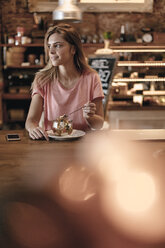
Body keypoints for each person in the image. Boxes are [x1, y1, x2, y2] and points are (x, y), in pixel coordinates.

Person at [25, 23, 104, 140]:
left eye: (57, 46)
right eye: (49, 46)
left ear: (73, 49)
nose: (51, 51)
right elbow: (31, 120)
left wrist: (89, 117)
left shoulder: (91, 77)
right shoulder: (42, 79)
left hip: (83, 145)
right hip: (52, 143)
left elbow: (99, 124)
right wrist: (33, 128)